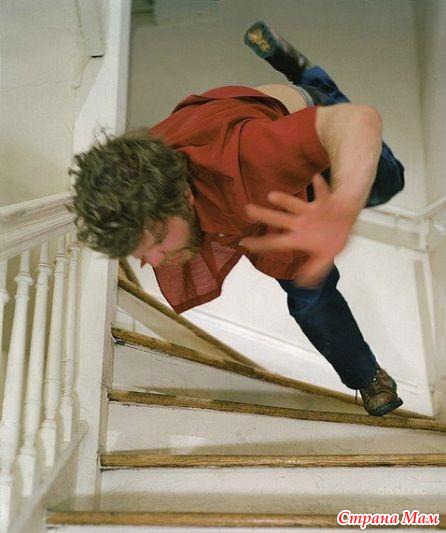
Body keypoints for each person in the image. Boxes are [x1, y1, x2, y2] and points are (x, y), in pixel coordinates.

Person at [69, 22, 405, 416]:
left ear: (184, 195)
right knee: (309, 294)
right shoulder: (142, 184)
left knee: (387, 182)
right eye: (142, 254)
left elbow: (357, 122)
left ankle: (300, 68)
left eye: (157, 241)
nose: (153, 261)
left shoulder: (251, 161)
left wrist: (342, 209)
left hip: (299, 112)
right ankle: (367, 375)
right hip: (241, 125)